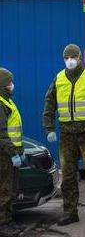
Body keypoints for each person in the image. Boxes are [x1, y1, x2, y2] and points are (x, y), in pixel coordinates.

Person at [43, 44, 85, 226]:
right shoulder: (58, 78)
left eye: (73, 57)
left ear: (80, 57)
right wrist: (49, 128)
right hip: (67, 135)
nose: (70, 61)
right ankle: (70, 212)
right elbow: (49, 104)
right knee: (68, 176)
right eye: (66, 58)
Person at [0, 68, 26, 237]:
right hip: (4, 155)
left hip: (11, 154)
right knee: (4, 191)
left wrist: (20, 150)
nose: (12, 85)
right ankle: (3, 225)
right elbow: (2, 133)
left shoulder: (7, 101)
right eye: (9, 82)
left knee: (11, 190)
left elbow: (14, 131)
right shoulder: (1, 104)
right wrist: (13, 153)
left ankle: (8, 221)